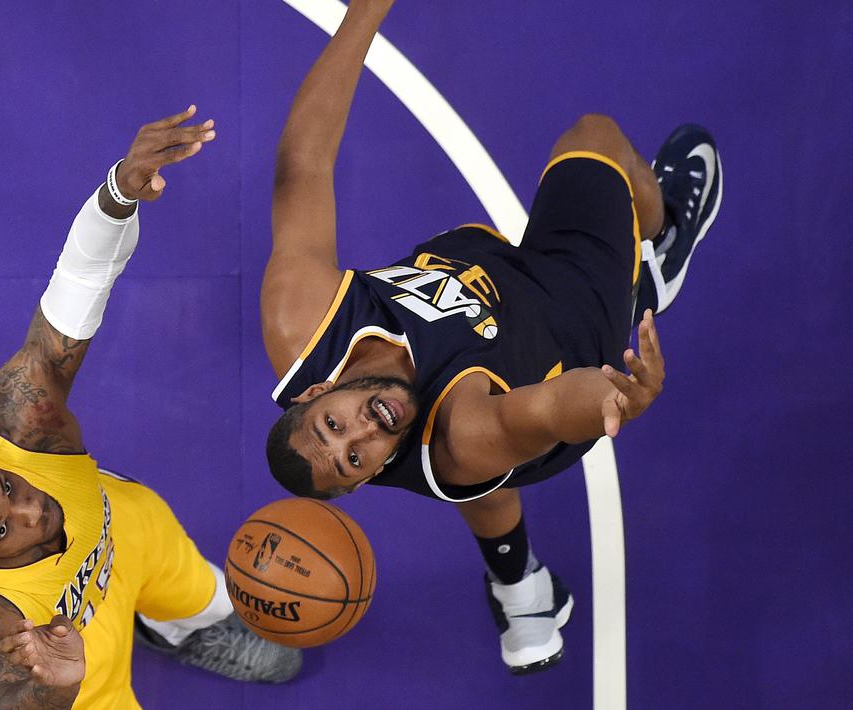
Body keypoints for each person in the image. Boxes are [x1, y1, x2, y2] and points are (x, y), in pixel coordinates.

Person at [260, 0, 721, 674]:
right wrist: (622, 396)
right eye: (355, 460)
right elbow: (550, 406)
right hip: (570, 324)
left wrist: (363, 11)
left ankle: (519, 588)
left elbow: (303, 164)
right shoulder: (463, 434)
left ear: (318, 388)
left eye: (334, 425)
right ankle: (660, 252)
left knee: (476, 482)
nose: (362, 435)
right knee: (595, 138)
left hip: (499, 293)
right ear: (367, 478)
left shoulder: (299, 321)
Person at [0, 107, 301, 710]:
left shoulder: (21, 429)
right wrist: (59, 681)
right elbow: (1, 698)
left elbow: (78, 288)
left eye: (6, 486)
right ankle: (155, 635)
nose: (29, 507)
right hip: (76, 670)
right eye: (2, 527)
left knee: (208, 594)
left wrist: (117, 195)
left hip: (124, 531)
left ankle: (180, 628)